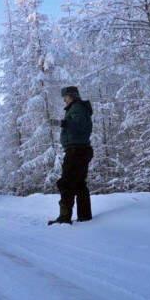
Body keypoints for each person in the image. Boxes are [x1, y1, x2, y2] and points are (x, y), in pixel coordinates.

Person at [49, 86, 94, 225]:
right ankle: (85, 216)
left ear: (71, 96)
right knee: (80, 184)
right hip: (81, 150)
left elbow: (80, 126)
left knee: (66, 183)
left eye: (65, 97)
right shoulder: (78, 108)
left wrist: (62, 123)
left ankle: (64, 217)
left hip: (76, 151)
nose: (64, 100)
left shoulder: (77, 108)